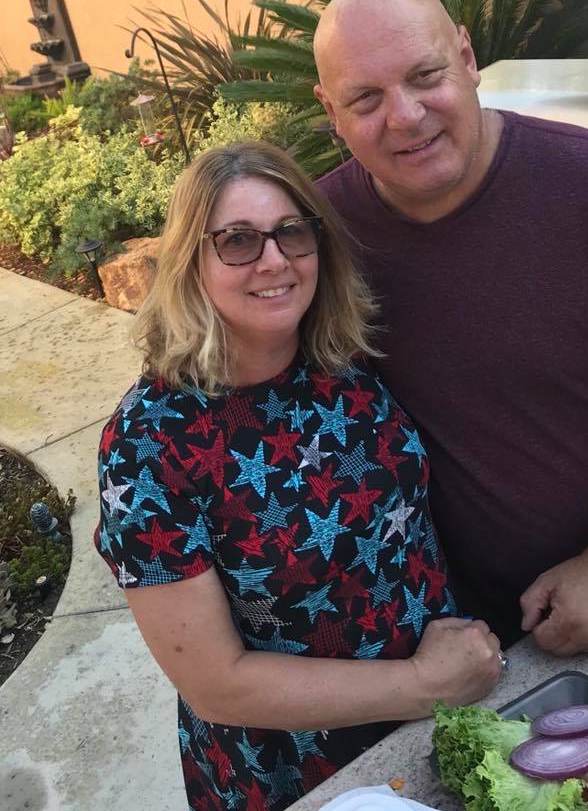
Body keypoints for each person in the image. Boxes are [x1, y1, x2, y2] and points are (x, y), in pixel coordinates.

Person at [95, 141, 502, 811]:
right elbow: (216, 682)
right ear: (191, 263)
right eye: (237, 241)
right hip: (300, 762)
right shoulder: (147, 444)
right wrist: (424, 683)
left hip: (443, 705)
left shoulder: (340, 358)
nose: (275, 260)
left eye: (291, 231)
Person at [313, 0, 588, 656]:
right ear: (330, 111)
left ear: (466, 58)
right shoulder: (313, 239)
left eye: (425, 75)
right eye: (365, 98)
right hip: (445, 636)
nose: (405, 116)